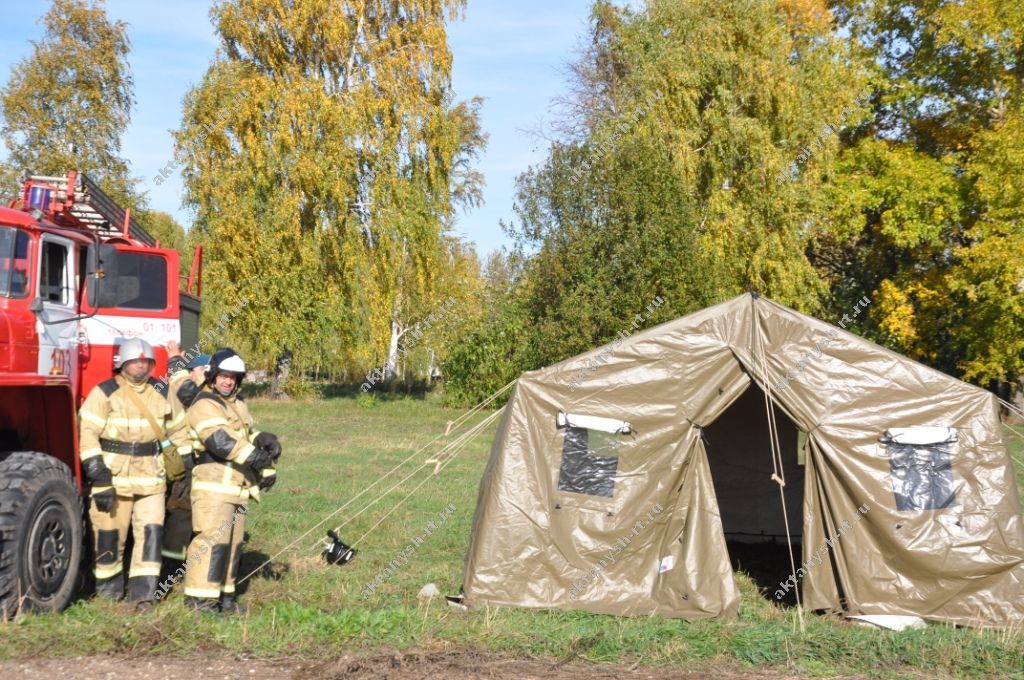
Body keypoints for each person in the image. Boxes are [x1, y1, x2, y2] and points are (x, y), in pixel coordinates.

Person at [184, 348, 281, 614]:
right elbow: (220, 440)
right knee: (211, 543)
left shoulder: (237, 403)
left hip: (237, 487)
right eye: (224, 376)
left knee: (232, 546)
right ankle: (200, 602)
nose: (228, 381)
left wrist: (263, 439)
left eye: (234, 377)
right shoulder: (204, 403)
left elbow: (242, 434)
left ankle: (225, 600)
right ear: (213, 375)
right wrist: (257, 457)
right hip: (213, 485)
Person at [78, 337, 172, 610]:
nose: (140, 366)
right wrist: (99, 475)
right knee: (108, 536)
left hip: (151, 479)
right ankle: (108, 594)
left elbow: (177, 430)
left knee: (151, 535)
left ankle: (143, 596)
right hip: (113, 479)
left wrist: (186, 467)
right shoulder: (104, 392)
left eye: (145, 361)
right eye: (135, 361)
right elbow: (87, 435)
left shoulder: (162, 392)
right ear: (123, 364)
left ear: (152, 364)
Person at [160, 350, 211, 582]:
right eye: (204, 370)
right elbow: (185, 391)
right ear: (192, 372)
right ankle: (171, 569)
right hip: (185, 462)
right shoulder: (189, 389)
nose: (208, 374)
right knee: (180, 514)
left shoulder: (208, 393)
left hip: (201, 463)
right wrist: (176, 364)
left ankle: (190, 562)